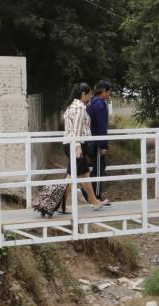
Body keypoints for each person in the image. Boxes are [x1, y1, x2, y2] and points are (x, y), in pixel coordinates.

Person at [63, 83, 108, 211]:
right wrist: (78, 147)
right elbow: (77, 130)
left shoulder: (71, 106)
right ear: (83, 94)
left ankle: (94, 201)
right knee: (71, 176)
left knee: (84, 174)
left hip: (70, 144)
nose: (90, 97)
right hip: (75, 144)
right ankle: (60, 204)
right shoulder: (80, 108)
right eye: (89, 94)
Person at [86, 80, 112, 205]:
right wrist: (104, 145)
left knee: (98, 167)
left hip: (91, 140)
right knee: (98, 169)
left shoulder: (92, 102)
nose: (109, 95)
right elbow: (102, 126)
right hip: (96, 142)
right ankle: (95, 196)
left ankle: (90, 194)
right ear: (103, 91)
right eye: (109, 92)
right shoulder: (100, 104)